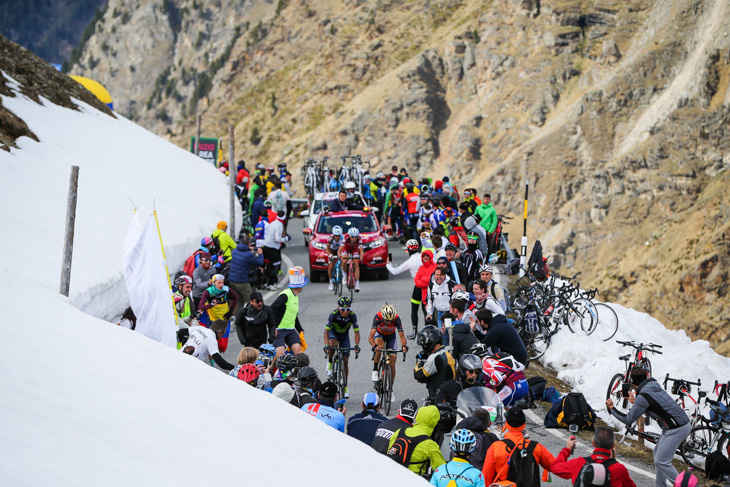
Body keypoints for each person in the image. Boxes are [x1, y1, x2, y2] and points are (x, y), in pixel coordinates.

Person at [606, 367, 691, 487]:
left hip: (677, 428)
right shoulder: (653, 386)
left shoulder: (644, 396)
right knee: (658, 455)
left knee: (661, 461)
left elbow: (628, 419)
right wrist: (635, 402)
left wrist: (612, 408)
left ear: (632, 382)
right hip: (680, 424)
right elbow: (653, 404)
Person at [482, 406, 555, 484]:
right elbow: (556, 466)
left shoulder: (495, 448)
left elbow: (486, 478)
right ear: (524, 424)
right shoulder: (536, 447)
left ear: (506, 424)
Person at [552, 427, 636, 487]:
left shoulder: (579, 463)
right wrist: (613, 461)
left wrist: (567, 449)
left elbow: (555, 467)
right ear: (613, 445)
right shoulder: (619, 469)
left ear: (594, 443)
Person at [387, 405, 446, 478]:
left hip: (391, 476)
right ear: (435, 422)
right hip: (413, 480)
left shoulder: (399, 432)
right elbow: (442, 470)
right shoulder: (429, 444)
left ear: (417, 416)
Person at [324, 296, 360, 398]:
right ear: (338, 308)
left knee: (345, 360)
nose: (345, 312)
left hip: (344, 336)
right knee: (333, 345)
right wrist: (326, 344)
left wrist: (356, 345)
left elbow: (356, 333)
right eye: (343, 309)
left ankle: (345, 386)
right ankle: (330, 362)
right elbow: (326, 331)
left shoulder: (352, 316)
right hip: (333, 334)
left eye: (348, 309)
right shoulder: (333, 314)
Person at [271, 267, 308, 366]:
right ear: (301, 286)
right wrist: (273, 327)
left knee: (298, 352)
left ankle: (296, 374)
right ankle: (270, 370)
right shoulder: (286, 294)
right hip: (279, 330)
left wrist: (300, 329)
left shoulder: (296, 297)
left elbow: (293, 316)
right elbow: (273, 309)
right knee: (280, 354)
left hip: (290, 330)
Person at [369, 303, 409, 387]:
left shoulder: (396, 318)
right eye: (386, 320)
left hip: (391, 337)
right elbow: (371, 337)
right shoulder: (378, 316)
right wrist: (374, 345)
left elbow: (402, 336)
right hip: (379, 335)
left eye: (390, 320)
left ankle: (390, 388)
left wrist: (403, 346)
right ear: (383, 316)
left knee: (392, 363)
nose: (388, 322)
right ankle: (375, 369)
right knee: (380, 346)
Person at [414, 325, 456, 403]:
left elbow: (419, 375)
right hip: (451, 396)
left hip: (438, 399)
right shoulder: (448, 353)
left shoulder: (434, 358)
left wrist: (420, 364)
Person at [228, 237, 264, 314]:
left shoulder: (234, 251)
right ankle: (250, 316)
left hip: (232, 279)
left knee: (239, 299)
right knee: (250, 299)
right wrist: (260, 254)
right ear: (249, 244)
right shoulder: (248, 255)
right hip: (241, 281)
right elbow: (259, 263)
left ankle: (237, 317)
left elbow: (242, 259)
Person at [262, 210, 290, 290]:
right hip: (272, 247)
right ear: (284, 217)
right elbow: (277, 239)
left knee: (270, 265)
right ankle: (271, 283)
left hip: (266, 245)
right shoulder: (279, 225)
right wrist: (286, 239)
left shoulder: (273, 223)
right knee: (276, 265)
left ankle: (268, 283)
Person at [412, 248, 436, 339]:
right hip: (424, 297)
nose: (425, 257)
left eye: (427, 255)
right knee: (426, 315)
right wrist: (427, 281)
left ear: (430, 257)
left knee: (433, 316)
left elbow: (434, 280)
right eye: (424, 256)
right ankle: (427, 335)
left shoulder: (435, 266)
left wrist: (424, 280)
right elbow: (417, 282)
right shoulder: (421, 268)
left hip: (434, 295)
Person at [426, 267, 455, 331]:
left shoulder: (451, 284)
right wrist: (429, 313)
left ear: (445, 275)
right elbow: (430, 300)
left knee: (450, 334)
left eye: (441, 274)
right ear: (434, 275)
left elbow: (456, 300)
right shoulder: (431, 285)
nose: (439, 277)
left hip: (450, 314)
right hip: (439, 314)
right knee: (441, 334)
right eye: (437, 275)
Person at [338, 226, 363, 292]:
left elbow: (361, 249)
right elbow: (340, 249)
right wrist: (339, 255)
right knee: (344, 261)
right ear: (349, 236)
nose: (354, 239)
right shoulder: (346, 237)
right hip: (346, 248)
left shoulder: (359, 238)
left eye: (355, 237)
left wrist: (361, 255)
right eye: (352, 237)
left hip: (355, 248)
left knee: (356, 263)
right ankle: (345, 275)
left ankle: (357, 284)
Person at [327, 225, 344, 291]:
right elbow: (327, 249)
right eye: (336, 236)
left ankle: (342, 274)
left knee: (343, 261)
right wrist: (330, 254)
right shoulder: (330, 239)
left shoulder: (343, 239)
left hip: (340, 250)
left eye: (339, 236)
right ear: (333, 235)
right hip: (333, 251)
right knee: (331, 266)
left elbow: (345, 248)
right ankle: (331, 282)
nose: (337, 237)